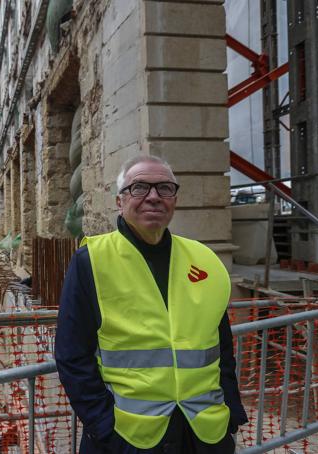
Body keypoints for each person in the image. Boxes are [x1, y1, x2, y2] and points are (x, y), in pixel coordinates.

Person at [55, 156, 248, 453]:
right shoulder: (91, 261)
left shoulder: (204, 260)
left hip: (204, 432)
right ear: (120, 201)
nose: (154, 197)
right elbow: (72, 354)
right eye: (140, 187)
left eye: (165, 188)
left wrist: (231, 412)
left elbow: (220, 345)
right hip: (130, 435)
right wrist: (103, 426)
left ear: (175, 199)